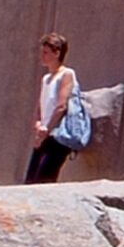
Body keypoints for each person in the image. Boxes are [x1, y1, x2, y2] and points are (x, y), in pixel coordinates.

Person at [24, 32, 78, 184]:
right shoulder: (46, 78)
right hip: (44, 134)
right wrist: (37, 124)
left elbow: (61, 105)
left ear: (57, 53)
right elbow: (40, 105)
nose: (42, 56)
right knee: (31, 178)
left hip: (57, 135)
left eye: (46, 52)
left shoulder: (67, 74)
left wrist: (47, 129)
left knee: (45, 178)